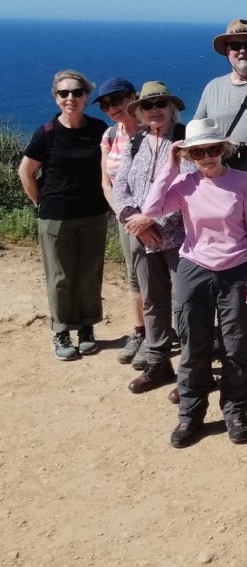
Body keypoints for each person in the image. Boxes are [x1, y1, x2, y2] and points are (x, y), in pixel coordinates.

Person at [142, 118, 247, 448]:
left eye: (212, 149)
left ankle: (235, 412)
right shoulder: (184, 184)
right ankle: (189, 416)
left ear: (222, 150)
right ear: (189, 155)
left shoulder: (243, 181)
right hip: (193, 268)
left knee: (236, 346)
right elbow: (151, 209)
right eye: (198, 152)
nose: (207, 157)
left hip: (236, 270)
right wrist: (170, 165)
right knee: (193, 345)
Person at [194, 17, 247, 364]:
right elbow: (196, 130)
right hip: (217, 186)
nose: (242, 50)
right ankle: (227, 326)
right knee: (221, 254)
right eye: (235, 45)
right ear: (226, 52)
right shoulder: (213, 88)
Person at [19, 71, 109, 361]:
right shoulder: (47, 133)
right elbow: (26, 172)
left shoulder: (98, 129)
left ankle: (86, 328)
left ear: (86, 95)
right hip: (56, 216)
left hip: (94, 214)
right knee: (60, 277)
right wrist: (41, 202)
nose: (70, 98)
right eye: (63, 93)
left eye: (77, 92)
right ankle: (61, 331)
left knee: (89, 274)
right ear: (56, 98)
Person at [113, 82, 189, 395]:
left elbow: (188, 187)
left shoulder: (185, 140)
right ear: (140, 113)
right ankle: (158, 363)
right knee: (152, 299)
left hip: (179, 235)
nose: (154, 110)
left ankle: (191, 370)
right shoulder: (135, 142)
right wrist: (135, 221)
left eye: (161, 103)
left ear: (172, 108)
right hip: (139, 235)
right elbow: (120, 186)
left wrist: (152, 220)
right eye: (148, 106)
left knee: (185, 302)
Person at [94, 76, 146, 366]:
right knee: (134, 276)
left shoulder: (152, 131)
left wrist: (145, 219)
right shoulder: (110, 136)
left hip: (155, 219)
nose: (112, 107)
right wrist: (125, 217)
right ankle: (140, 332)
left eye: (117, 100)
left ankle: (159, 334)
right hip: (125, 219)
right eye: (105, 104)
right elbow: (106, 183)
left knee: (161, 278)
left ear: (132, 98)